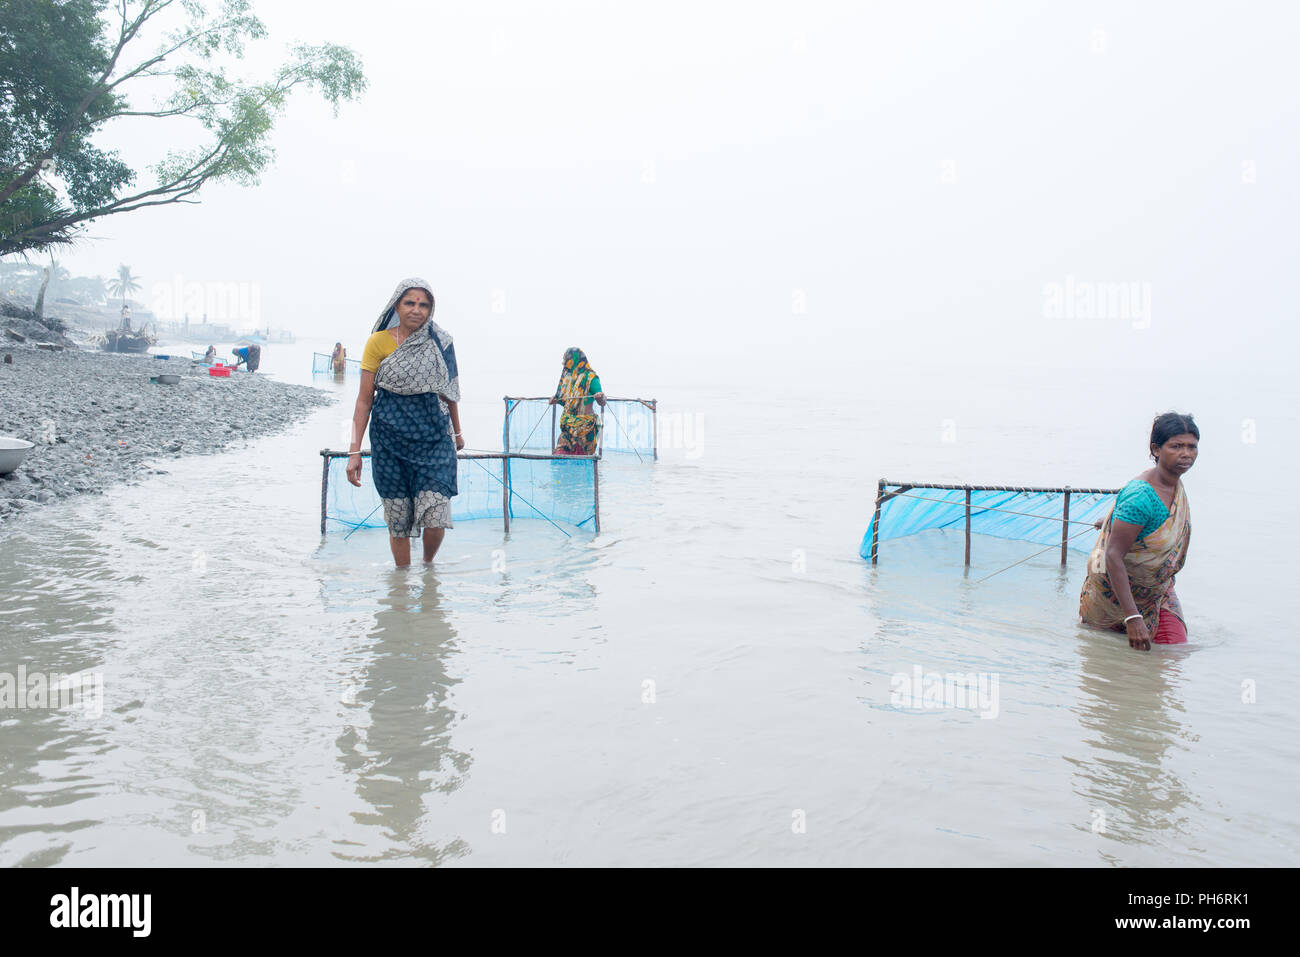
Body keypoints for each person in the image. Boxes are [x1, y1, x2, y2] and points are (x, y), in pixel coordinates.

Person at [347, 278, 464, 567]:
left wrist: (458, 432)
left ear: (431, 309)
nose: (417, 310)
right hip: (390, 438)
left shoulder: (441, 342)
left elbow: (449, 391)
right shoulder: (378, 342)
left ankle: (427, 568)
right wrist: (354, 451)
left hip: (434, 436)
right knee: (398, 516)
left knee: (436, 513)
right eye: (410, 303)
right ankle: (400, 585)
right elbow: (364, 400)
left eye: (424, 304)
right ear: (397, 305)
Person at [1079, 412, 1198, 651]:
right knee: (1110, 662)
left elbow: (1146, 524)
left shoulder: (1173, 486)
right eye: (1176, 446)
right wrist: (1133, 618)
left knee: (1174, 653)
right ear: (1156, 449)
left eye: (1192, 447)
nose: (1186, 454)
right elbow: (1112, 555)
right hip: (1114, 594)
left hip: (1157, 590)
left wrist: (1114, 522)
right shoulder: (1141, 497)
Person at [548, 347, 606, 454]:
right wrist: (555, 400)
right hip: (568, 426)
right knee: (559, 454)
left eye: (565, 359)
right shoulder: (568, 380)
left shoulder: (591, 378)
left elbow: (603, 402)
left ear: (574, 360)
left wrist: (600, 397)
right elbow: (565, 401)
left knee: (582, 462)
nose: (563, 363)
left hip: (585, 429)